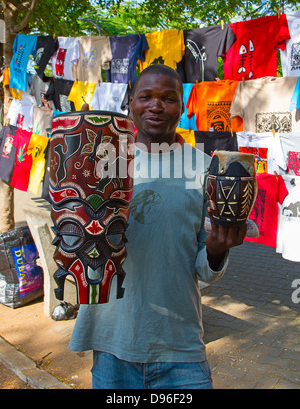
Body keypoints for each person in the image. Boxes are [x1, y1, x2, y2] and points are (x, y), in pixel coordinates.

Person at [69, 64, 247, 389]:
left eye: (168, 98)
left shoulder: (206, 169)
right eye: (146, 96)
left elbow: (205, 271)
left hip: (180, 348)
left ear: (183, 106)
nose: (156, 105)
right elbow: (77, 247)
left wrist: (217, 248)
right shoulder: (102, 164)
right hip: (112, 344)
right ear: (131, 103)